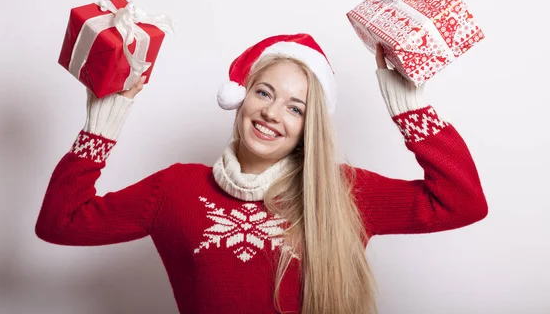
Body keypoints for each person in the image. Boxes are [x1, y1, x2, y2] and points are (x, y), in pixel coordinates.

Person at [35, 33, 488, 314]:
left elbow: (461, 202)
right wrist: (102, 126)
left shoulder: (340, 191)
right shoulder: (175, 188)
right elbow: (61, 223)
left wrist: (412, 109)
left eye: (296, 107)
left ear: (309, 126)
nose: (273, 114)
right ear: (241, 96)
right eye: (264, 93)